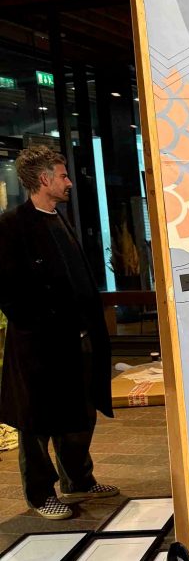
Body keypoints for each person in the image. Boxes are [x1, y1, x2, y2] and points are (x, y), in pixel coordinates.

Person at [0, 147, 119, 519]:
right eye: (63, 175)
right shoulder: (11, 225)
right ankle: (40, 494)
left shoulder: (59, 218)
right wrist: (37, 324)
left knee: (80, 413)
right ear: (44, 179)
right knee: (36, 423)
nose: (69, 182)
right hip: (39, 344)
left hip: (77, 339)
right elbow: (6, 288)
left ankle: (78, 480)